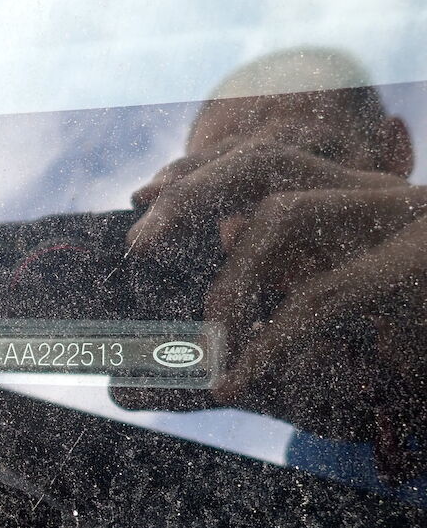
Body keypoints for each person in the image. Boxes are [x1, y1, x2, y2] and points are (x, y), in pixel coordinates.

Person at [127, 48, 427, 491]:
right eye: (225, 193)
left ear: (392, 150)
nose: (267, 211)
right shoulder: (316, 463)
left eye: (312, 155)